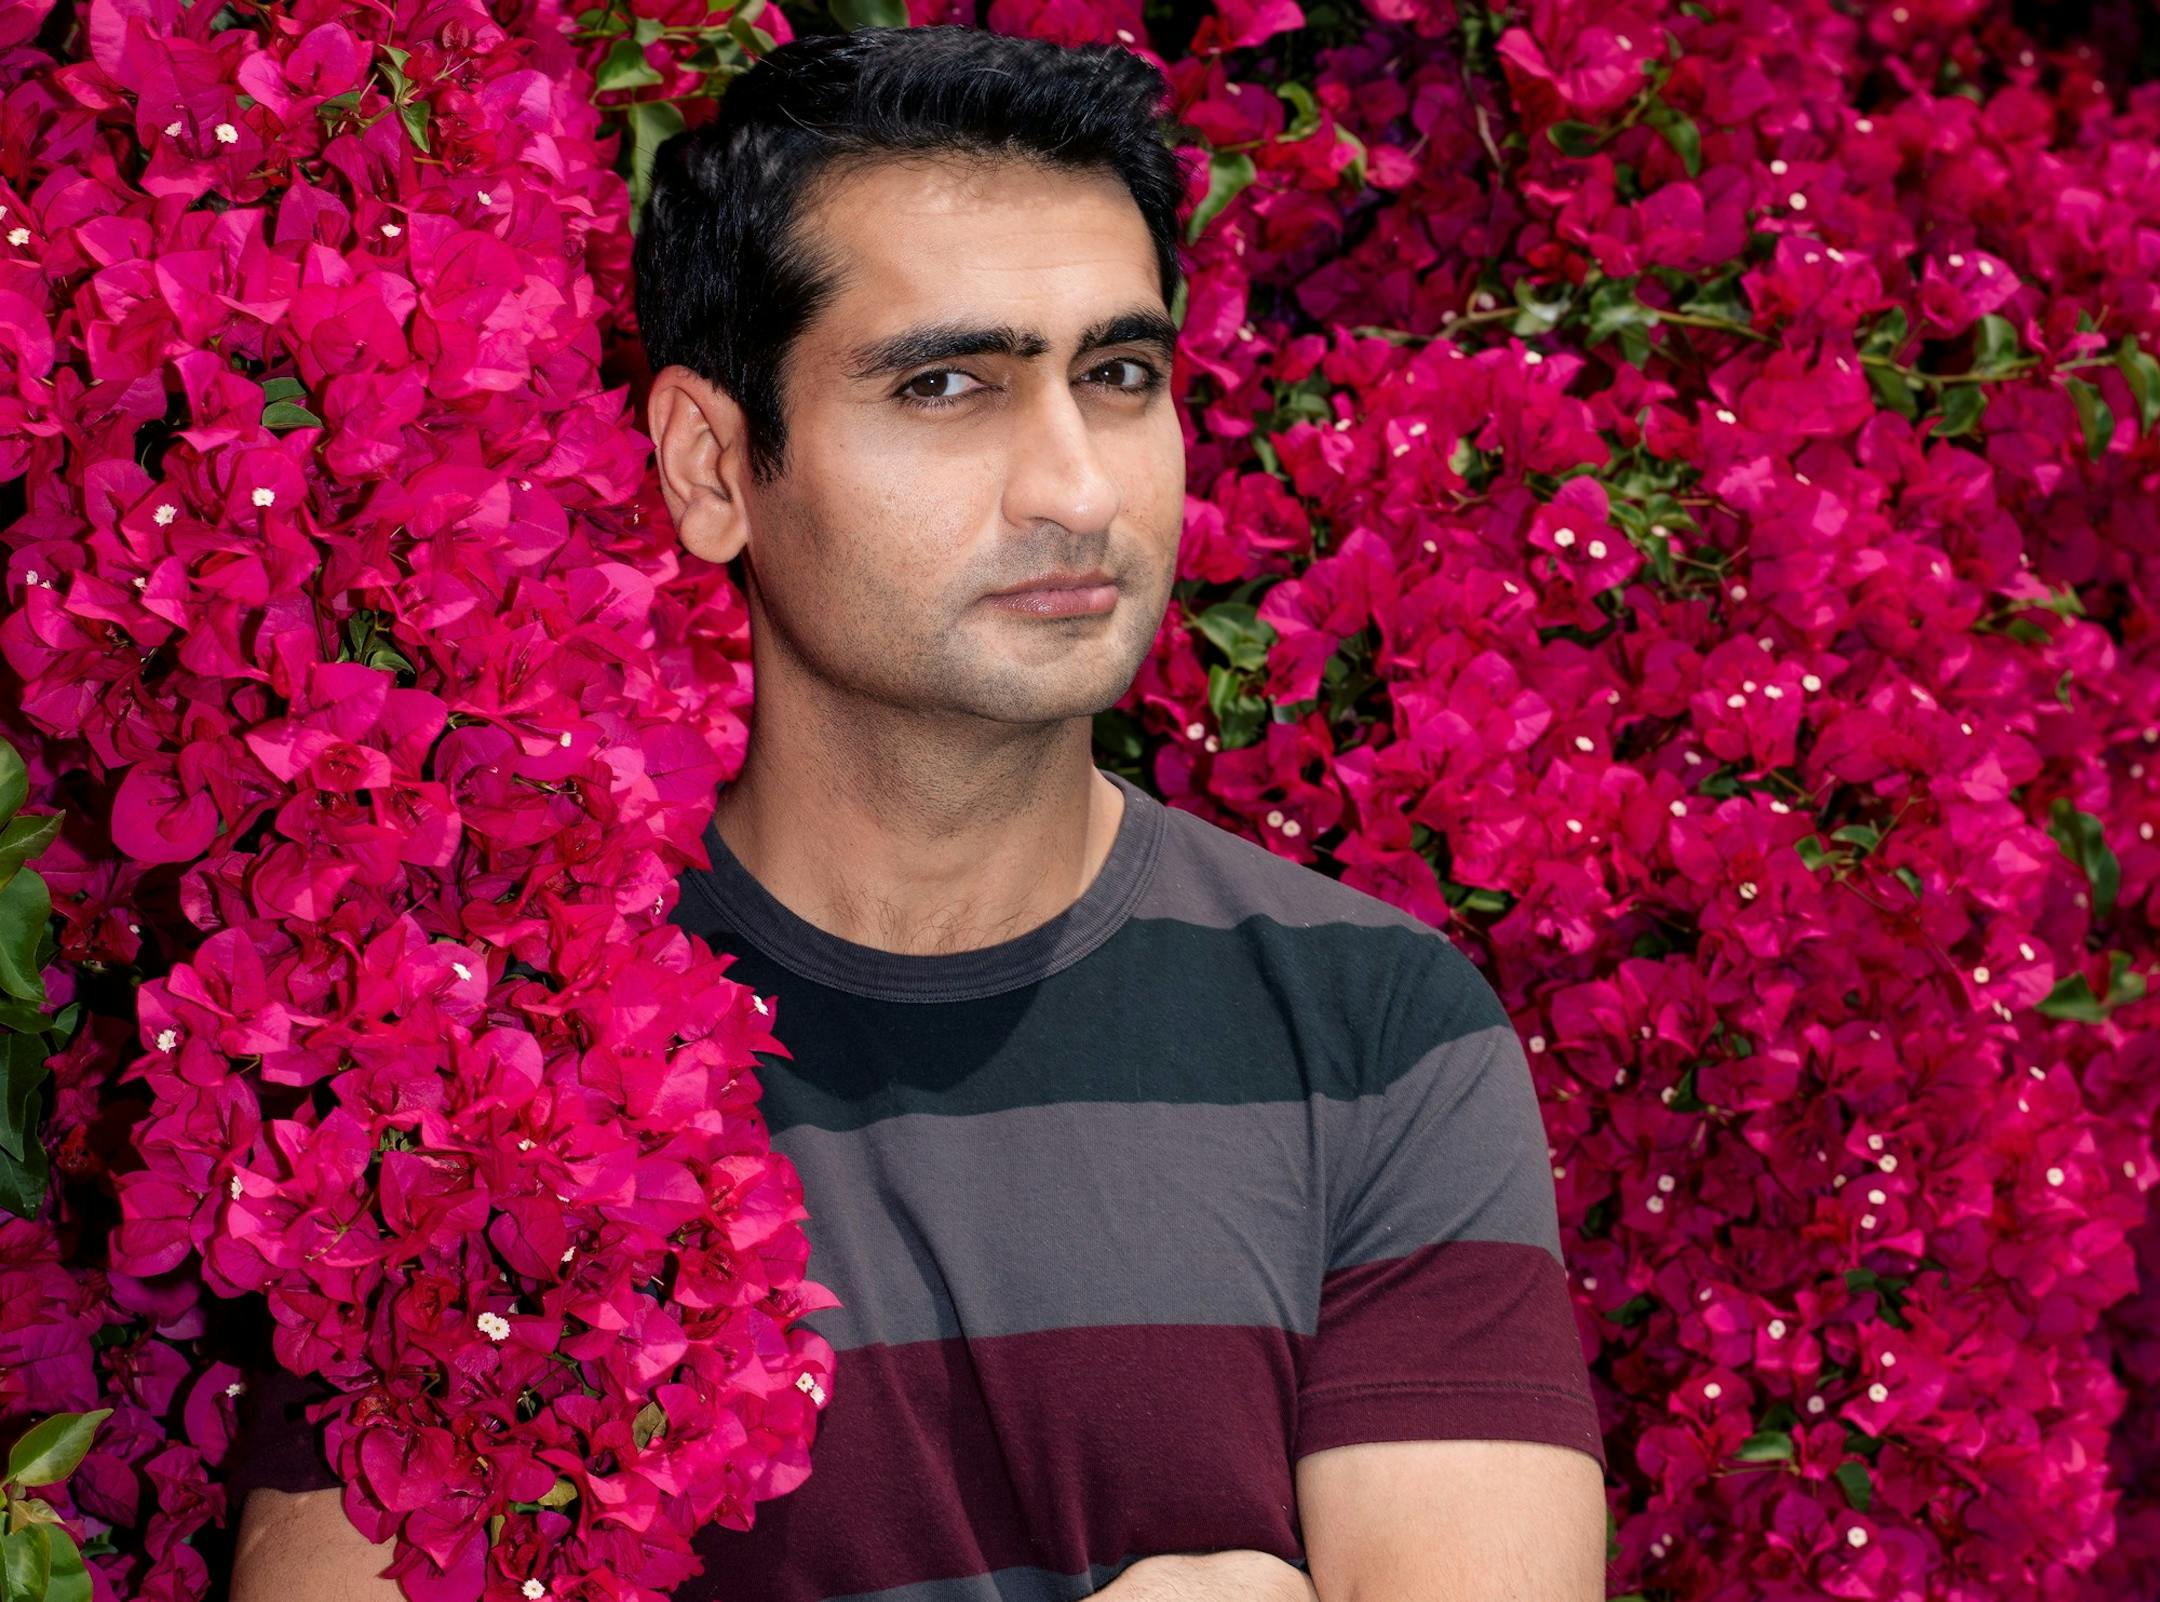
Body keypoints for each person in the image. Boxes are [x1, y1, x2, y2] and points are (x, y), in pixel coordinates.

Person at [227, 23, 1608, 1602]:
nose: (1077, 488)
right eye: (949, 384)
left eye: (1121, 375)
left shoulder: (1376, 1032)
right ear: (712, 464)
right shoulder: (475, 1060)